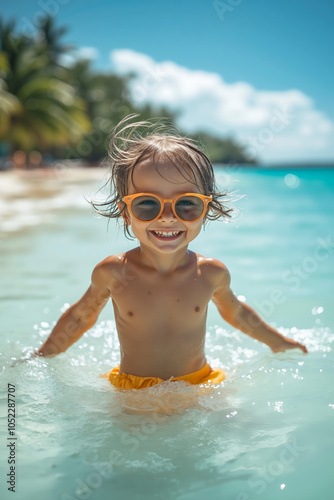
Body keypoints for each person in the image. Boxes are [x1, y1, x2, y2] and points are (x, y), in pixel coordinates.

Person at [35, 115, 308, 389]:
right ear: (125, 213)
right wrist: (42, 356)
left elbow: (236, 314)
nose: (167, 217)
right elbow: (81, 316)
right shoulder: (114, 272)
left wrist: (279, 343)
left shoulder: (211, 273)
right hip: (133, 387)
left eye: (186, 204)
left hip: (198, 383)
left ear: (206, 210)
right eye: (147, 205)